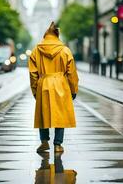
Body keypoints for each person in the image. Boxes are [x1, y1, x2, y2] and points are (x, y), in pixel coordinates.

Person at [28, 22, 79, 153]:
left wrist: (35, 90)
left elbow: (33, 74)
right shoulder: (65, 50)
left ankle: (44, 142)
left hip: (43, 83)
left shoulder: (36, 50)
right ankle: (57, 144)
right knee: (60, 115)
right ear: (57, 35)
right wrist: (73, 90)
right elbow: (72, 73)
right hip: (61, 83)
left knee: (43, 114)